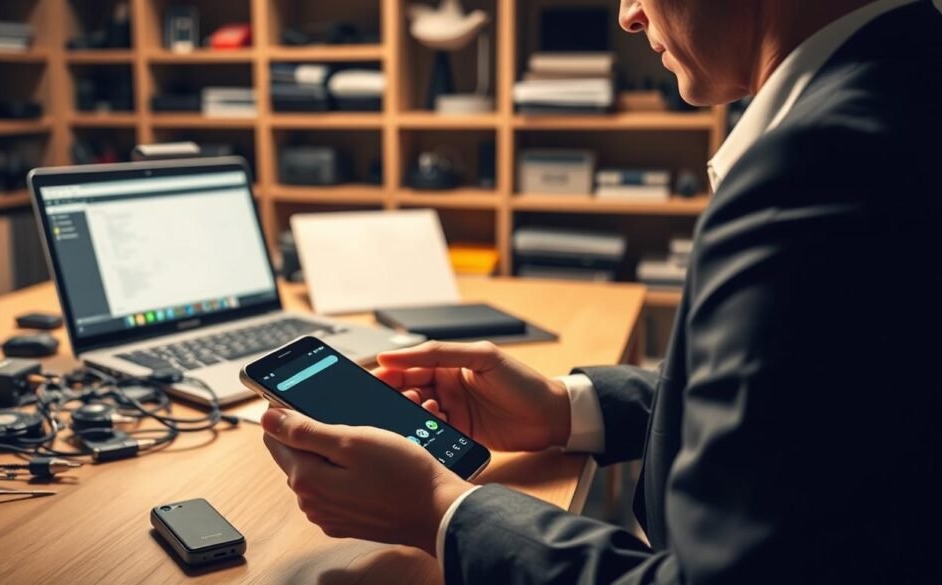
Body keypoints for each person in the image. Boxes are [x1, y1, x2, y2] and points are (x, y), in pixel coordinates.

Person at [261, 0, 942, 582]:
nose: (628, 14)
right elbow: (824, 423)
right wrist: (566, 408)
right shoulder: (904, 90)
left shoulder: (825, 168)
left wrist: (439, 509)